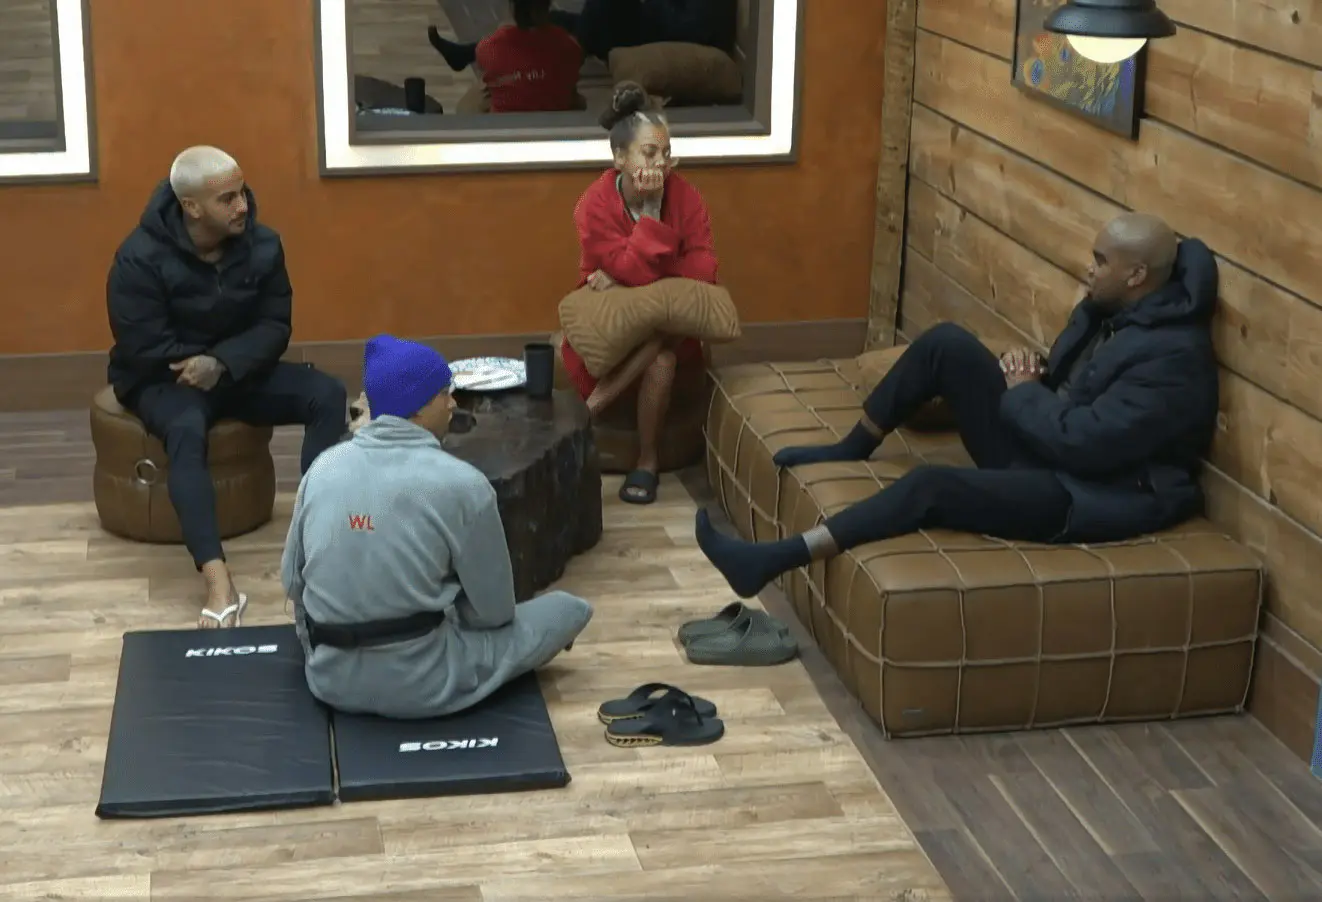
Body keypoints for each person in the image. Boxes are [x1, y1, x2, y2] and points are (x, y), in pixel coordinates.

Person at [695, 213, 1221, 599]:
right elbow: (1079, 389)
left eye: (1101, 262)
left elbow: (1087, 443)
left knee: (931, 485)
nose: (1089, 269)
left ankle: (772, 559)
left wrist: (1025, 391)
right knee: (946, 343)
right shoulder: (1108, 312)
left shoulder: (1173, 358)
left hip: (1089, 494)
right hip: (1050, 447)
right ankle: (852, 445)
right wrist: (1032, 373)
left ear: (1136, 276)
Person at [280, 334, 594, 720]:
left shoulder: (322, 468)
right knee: (567, 609)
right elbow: (493, 614)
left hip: (330, 679)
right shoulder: (464, 484)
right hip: (424, 682)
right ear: (417, 406)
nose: (453, 403)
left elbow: (292, 582)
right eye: (444, 393)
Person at [106, 146, 348, 629]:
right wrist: (201, 365)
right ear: (191, 207)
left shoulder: (264, 244)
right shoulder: (138, 258)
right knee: (186, 432)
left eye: (242, 193)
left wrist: (222, 363)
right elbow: (141, 344)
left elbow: (275, 325)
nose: (242, 206)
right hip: (164, 378)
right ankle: (218, 581)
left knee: (327, 393)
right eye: (227, 199)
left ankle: (320, 540)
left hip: (235, 370)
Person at [561, 80, 719, 506]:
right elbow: (629, 269)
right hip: (610, 320)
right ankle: (602, 407)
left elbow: (705, 269)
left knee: (663, 348)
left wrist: (632, 278)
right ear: (619, 158)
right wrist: (650, 218)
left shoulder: (685, 196)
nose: (661, 164)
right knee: (658, 331)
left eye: (666, 153)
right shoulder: (594, 204)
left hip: (668, 326)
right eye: (649, 153)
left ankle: (644, 459)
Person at [427, 0, 583, 112]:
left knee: (469, 102)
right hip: (555, 123)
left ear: (512, 7)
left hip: (505, 126)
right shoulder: (569, 46)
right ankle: (459, 57)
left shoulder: (490, 46)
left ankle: (459, 57)